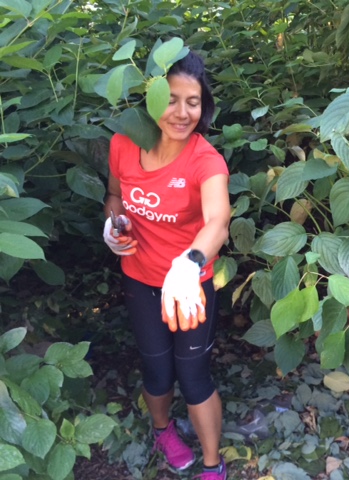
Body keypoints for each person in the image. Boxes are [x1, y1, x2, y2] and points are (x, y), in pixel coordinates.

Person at [103, 49, 230, 480]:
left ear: (203, 105)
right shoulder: (124, 143)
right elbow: (115, 195)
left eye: (192, 101)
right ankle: (162, 430)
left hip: (189, 284)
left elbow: (218, 222)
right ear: (151, 100)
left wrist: (190, 263)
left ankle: (213, 466)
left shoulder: (205, 160)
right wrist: (112, 224)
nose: (181, 112)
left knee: (193, 375)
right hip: (140, 278)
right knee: (156, 368)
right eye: (171, 99)